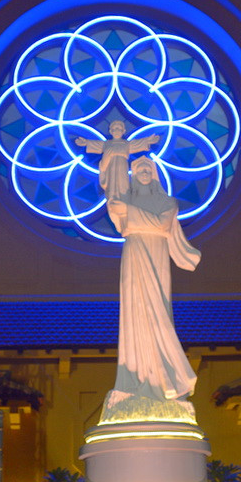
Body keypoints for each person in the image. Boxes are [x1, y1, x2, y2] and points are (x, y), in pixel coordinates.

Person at [106, 156, 201, 401]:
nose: (145, 172)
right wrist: (115, 156)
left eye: (148, 169)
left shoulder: (167, 202)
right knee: (134, 309)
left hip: (156, 252)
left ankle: (164, 376)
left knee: (157, 308)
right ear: (134, 175)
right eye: (140, 169)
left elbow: (161, 225)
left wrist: (130, 212)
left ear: (154, 173)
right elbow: (113, 203)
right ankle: (135, 378)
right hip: (134, 251)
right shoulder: (126, 199)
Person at [75, 120, 159, 200]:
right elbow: (95, 144)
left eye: (119, 129)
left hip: (122, 168)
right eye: (114, 129)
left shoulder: (126, 144)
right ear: (111, 131)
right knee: (112, 185)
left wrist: (148, 141)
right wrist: (86, 142)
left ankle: (123, 199)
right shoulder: (106, 144)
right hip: (110, 167)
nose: (117, 131)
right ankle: (113, 198)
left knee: (122, 185)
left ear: (123, 131)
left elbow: (138, 143)